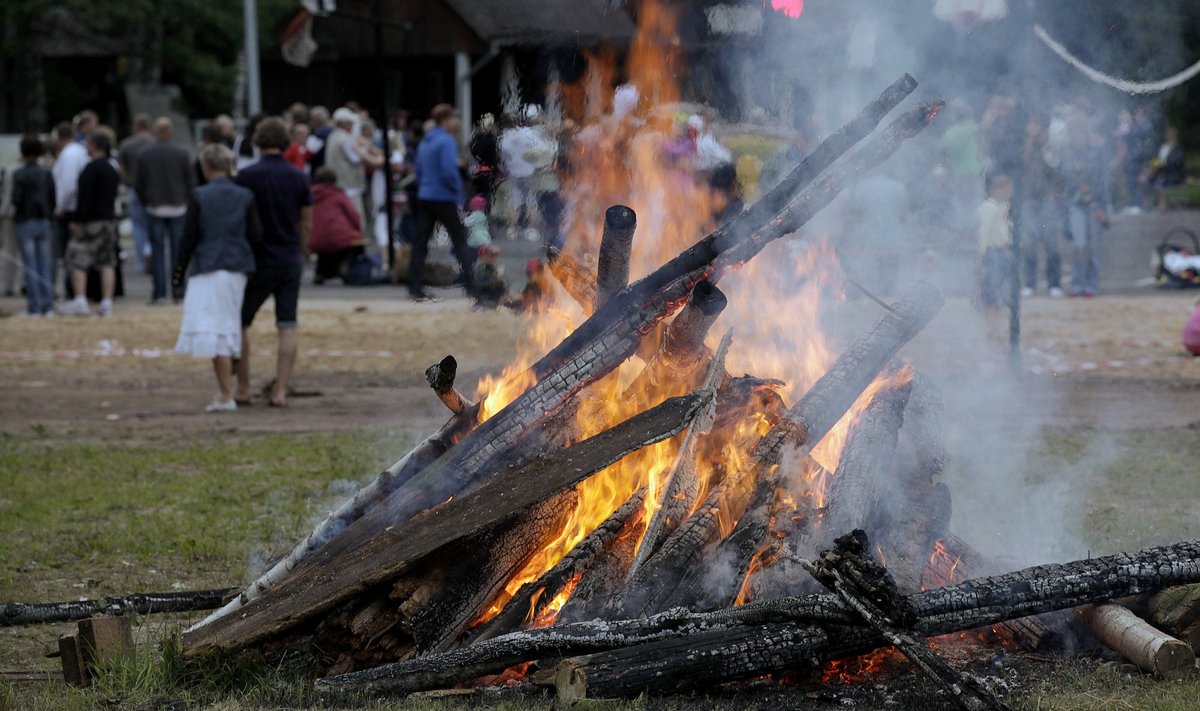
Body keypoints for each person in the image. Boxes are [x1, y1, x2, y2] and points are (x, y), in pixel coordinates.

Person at [172, 144, 262, 412]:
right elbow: (256, 235)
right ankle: (228, 388)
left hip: (209, 266)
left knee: (215, 333)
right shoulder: (245, 195)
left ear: (206, 167)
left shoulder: (200, 195)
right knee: (227, 327)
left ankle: (226, 394)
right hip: (237, 267)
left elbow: (188, 238)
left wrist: (177, 274)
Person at [234, 117, 313, 408]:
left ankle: (243, 387)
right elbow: (306, 223)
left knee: (240, 322)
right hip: (289, 256)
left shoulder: (245, 176)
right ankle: (280, 390)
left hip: (256, 259)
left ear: (258, 141)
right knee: (287, 324)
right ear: (284, 142)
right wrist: (302, 249)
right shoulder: (298, 176)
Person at [411, 103, 475, 302]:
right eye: (454, 118)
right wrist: (458, 190)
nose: (456, 121)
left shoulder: (425, 142)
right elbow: (449, 171)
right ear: (446, 120)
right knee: (460, 240)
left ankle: (414, 287)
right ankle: (472, 285)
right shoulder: (446, 141)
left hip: (425, 195)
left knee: (420, 243)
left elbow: (418, 170)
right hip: (443, 197)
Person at [58, 132, 119, 316]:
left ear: (94, 146)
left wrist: (76, 220)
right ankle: (107, 302)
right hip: (109, 220)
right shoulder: (111, 169)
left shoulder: (90, 169)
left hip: (90, 222)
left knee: (77, 259)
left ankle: (80, 300)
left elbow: (83, 198)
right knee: (106, 261)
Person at [135, 117, 195, 303]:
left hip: (155, 206)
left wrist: (147, 201)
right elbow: (190, 181)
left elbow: (139, 184)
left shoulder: (145, 154)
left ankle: (159, 293)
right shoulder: (182, 153)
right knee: (178, 253)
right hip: (178, 206)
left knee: (158, 252)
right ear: (171, 132)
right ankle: (178, 291)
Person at [1061, 117, 1109, 297]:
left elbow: (1103, 181)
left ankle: (1092, 284)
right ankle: (1077, 284)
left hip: (1094, 204)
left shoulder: (1096, 153)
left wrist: (1103, 206)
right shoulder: (1069, 154)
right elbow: (1064, 180)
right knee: (1079, 246)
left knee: (1093, 247)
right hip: (1076, 204)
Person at [11, 135, 56, 316]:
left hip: (25, 221)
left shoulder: (20, 174)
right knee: (44, 264)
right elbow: (53, 197)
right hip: (43, 220)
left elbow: (17, 198)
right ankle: (48, 305)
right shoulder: (46, 172)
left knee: (30, 266)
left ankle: (34, 306)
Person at [1021, 114, 1064, 298]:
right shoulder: (1025, 145)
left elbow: (1058, 170)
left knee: (1052, 244)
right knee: (1030, 244)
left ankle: (1055, 284)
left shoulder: (1051, 146)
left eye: (1035, 125)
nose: (1032, 129)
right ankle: (1029, 283)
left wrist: (1056, 195)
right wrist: (1030, 144)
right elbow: (1020, 166)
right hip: (1029, 200)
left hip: (1047, 199)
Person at [51, 122, 89, 293]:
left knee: (68, 254)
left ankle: (71, 290)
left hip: (69, 209)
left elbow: (67, 185)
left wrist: (60, 207)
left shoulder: (68, 155)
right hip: (78, 207)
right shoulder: (80, 151)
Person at [309, 167, 365, 284]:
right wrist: (358, 230)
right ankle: (343, 267)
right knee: (349, 241)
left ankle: (321, 272)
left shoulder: (309, 195)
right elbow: (354, 216)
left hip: (315, 237)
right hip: (339, 237)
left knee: (324, 245)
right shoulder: (338, 194)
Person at [116, 113, 154, 274]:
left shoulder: (127, 145)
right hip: (153, 189)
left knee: (138, 226)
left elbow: (121, 168)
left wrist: (126, 181)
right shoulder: (154, 143)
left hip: (133, 188)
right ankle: (151, 254)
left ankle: (140, 262)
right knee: (153, 225)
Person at [976, 173, 1013, 336]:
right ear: (998, 189)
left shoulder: (1002, 207)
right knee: (991, 291)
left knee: (999, 291)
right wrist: (982, 253)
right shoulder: (988, 207)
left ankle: (997, 326)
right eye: (1007, 189)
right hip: (992, 252)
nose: (1010, 192)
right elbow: (983, 231)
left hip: (1002, 252)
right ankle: (990, 326)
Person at [324, 107, 367, 224]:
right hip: (349, 187)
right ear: (344, 124)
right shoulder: (346, 139)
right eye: (350, 123)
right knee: (356, 221)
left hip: (337, 186)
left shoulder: (332, 136)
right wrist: (364, 147)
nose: (352, 126)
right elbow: (356, 159)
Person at [1143, 126, 1186, 210]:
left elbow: (1175, 163)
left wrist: (1159, 166)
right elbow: (1157, 159)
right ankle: (1147, 204)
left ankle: (1162, 205)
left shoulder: (1177, 148)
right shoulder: (1163, 146)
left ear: (1173, 136)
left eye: (1169, 135)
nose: (1167, 137)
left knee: (1159, 182)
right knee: (1146, 181)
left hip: (1172, 174)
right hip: (1160, 173)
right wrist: (1152, 168)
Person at [472, 243, 507, 308]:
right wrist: (494, 281)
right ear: (483, 256)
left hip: (494, 299)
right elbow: (478, 284)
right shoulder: (480, 269)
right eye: (492, 255)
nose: (494, 258)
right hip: (484, 300)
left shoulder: (494, 268)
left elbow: (502, 285)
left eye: (496, 255)